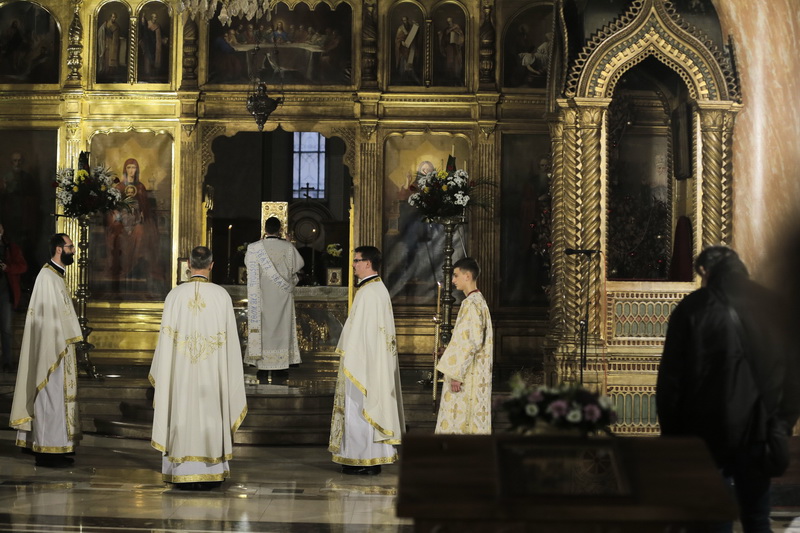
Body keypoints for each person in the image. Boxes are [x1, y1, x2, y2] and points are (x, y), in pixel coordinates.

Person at [657, 246, 800, 532]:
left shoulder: (692, 308)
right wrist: (781, 425)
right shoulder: (772, 305)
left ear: (705, 272)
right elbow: (793, 379)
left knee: (714, 518)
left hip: (706, 435)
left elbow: (671, 383)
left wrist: (675, 439)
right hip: (758, 431)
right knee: (758, 517)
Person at [149, 246, 247, 490]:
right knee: (210, 415)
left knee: (181, 412)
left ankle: (181, 470)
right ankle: (210, 471)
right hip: (211, 377)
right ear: (211, 265)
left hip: (180, 376)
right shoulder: (221, 296)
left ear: (188, 265)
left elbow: (164, 343)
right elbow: (231, 345)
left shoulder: (174, 296)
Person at [329, 246, 405, 475]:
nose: (353, 265)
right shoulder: (373, 289)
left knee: (359, 408)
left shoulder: (371, 292)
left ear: (368, 263)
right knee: (359, 409)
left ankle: (364, 459)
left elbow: (364, 335)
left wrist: (353, 357)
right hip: (367, 361)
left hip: (364, 363)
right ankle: (359, 457)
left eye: (356, 261)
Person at [9, 233, 82, 468]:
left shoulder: (56, 276)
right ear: (59, 249)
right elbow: (47, 320)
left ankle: (57, 448)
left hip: (60, 347)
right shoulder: (46, 277)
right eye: (70, 246)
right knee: (50, 399)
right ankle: (46, 451)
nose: (73, 250)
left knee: (58, 400)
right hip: (51, 350)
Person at [435, 257, 493, 434]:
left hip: (466, 375)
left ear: (467, 276)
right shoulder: (479, 301)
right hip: (471, 369)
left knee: (459, 422)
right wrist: (448, 351)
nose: (453, 280)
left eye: (456, 275)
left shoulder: (470, 303)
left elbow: (471, 342)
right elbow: (468, 338)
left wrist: (456, 373)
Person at [245, 217, 304, 381]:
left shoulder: (254, 248)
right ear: (280, 229)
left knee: (263, 328)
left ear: (265, 228)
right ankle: (279, 367)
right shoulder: (288, 247)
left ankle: (262, 367)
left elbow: (248, 266)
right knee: (281, 328)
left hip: (261, 294)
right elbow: (298, 265)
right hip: (281, 295)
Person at [105, 158, 161, 290]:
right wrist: (117, 219)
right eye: (129, 167)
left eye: (133, 168)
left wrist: (141, 214)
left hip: (136, 221)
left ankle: (135, 266)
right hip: (121, 222)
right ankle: (122, 268)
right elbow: (113, 208)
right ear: (125, 169)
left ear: (137, 170)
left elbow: (145, 208)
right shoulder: (119, 187)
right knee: (117, 235)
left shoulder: (140, 187)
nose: (131, 170)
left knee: (141, 231)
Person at [0, 222, 27, 372]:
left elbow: (23, 266)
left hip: (5, 294)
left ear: (2, 231)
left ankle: (7, 362)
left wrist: (7, 268)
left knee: (6, 328)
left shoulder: (11, 248)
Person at [394, 16, 421, 84]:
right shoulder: (401, 28)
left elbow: (415, 34)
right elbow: (398, 38)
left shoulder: (411, 27)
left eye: (406, 20)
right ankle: (403, 77)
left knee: (412, 61)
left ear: (407, 20)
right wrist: (401, 41)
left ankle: (412, 76)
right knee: (404, 62)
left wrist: (416, 25)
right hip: (404, 48)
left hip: (411, 47)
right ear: (402, 21)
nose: (405, 21)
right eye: (403, 20)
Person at [438, 17, 464, 84]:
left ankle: (456, 76)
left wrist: (457, 32)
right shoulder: (446, 29)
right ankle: (450, 76)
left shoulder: (457, 28)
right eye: (448, 22)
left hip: (456, 46)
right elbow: (444, 37)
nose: (450, 22)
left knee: (456, 61)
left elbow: (461, 36)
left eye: (450, 21)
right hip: (449, 47)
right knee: (449, 62)